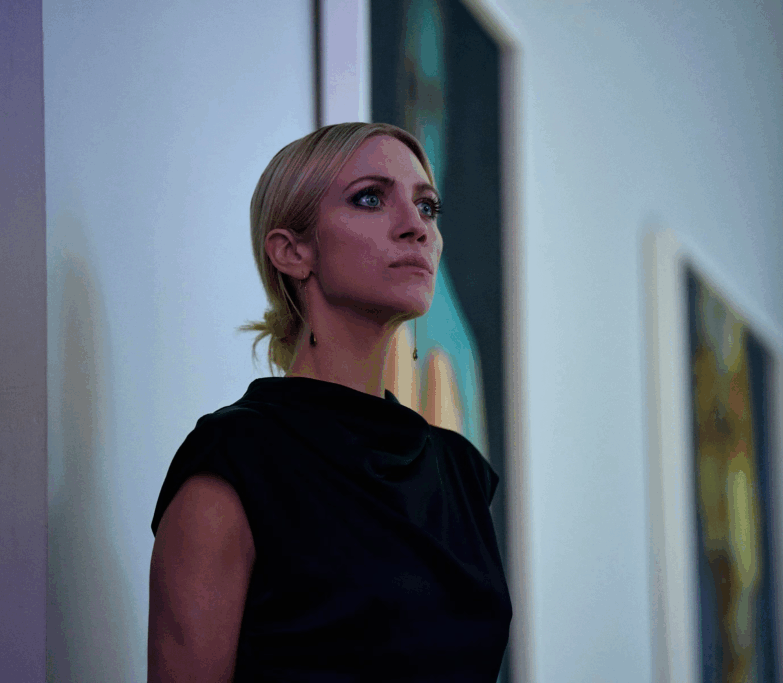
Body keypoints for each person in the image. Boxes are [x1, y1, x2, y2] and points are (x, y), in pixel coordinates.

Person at [147, 122, 511, 682]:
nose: (416, 227)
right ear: (292, 251)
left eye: (427, 207)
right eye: (370, 198)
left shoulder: (460, 472)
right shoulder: (235, 459)